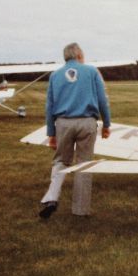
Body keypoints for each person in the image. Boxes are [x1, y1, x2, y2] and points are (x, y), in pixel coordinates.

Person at [39, 43, 111, 219]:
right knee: (84, 164)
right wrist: (107, 124)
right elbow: (102, 100)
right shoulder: (92, 72)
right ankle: (80, 210)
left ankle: (52, 198)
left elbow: (49, 106)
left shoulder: (55, 76)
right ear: (79, 54)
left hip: (63, 123)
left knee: (61, 161)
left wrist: (51, 133)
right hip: (87, 123)